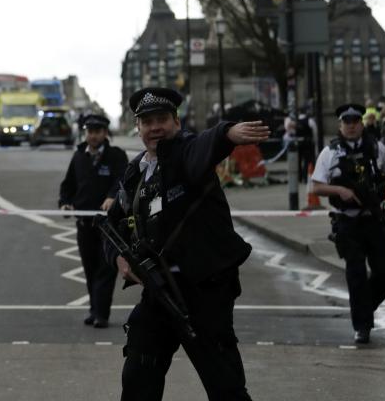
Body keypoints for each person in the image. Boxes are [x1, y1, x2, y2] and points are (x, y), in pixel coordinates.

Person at [104, 87, 269, 400]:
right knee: (138, 374)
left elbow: (204, 145)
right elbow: (112, 227)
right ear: (137, 127)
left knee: (225, 385)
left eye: (163, 119)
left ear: (176, 123)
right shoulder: (134, 173)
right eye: (147, 121)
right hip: (159, 290)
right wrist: (119, 260)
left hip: (204, 290)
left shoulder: (184, 153)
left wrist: (227, 133)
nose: (156, 127)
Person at [311, 103, 385, 344]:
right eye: (347, 121)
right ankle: (362, 326)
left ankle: (365, 308)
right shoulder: (330, 152)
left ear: (362, 123)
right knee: (355, 275)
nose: (351, 125)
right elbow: (316, 186)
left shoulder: (376, 147)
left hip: (375, 220)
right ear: (340, 125)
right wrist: (340, 190)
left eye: (355, 121)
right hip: (347, 223)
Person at [59, 113, 128, 329]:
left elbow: (123, 179)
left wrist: (111, 196)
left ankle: (102, 313)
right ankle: (94, 309)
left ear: (105, 133)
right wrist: (65, 202)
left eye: (98, 132)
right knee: (89, 268)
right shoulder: (79, 156)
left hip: (109, 225)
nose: (93, 136)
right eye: (90, 132)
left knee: (106, 268)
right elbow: (68, 184)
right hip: (84, 223)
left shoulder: (116, 155)